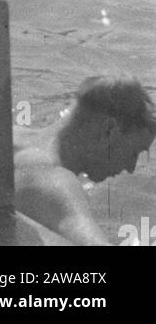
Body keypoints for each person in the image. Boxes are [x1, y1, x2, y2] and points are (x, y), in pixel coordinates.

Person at [14, 78, 156, 246]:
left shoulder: (13, 133)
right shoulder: (56, 183)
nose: (131, 168)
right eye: (134, 153)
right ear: (109, 129)